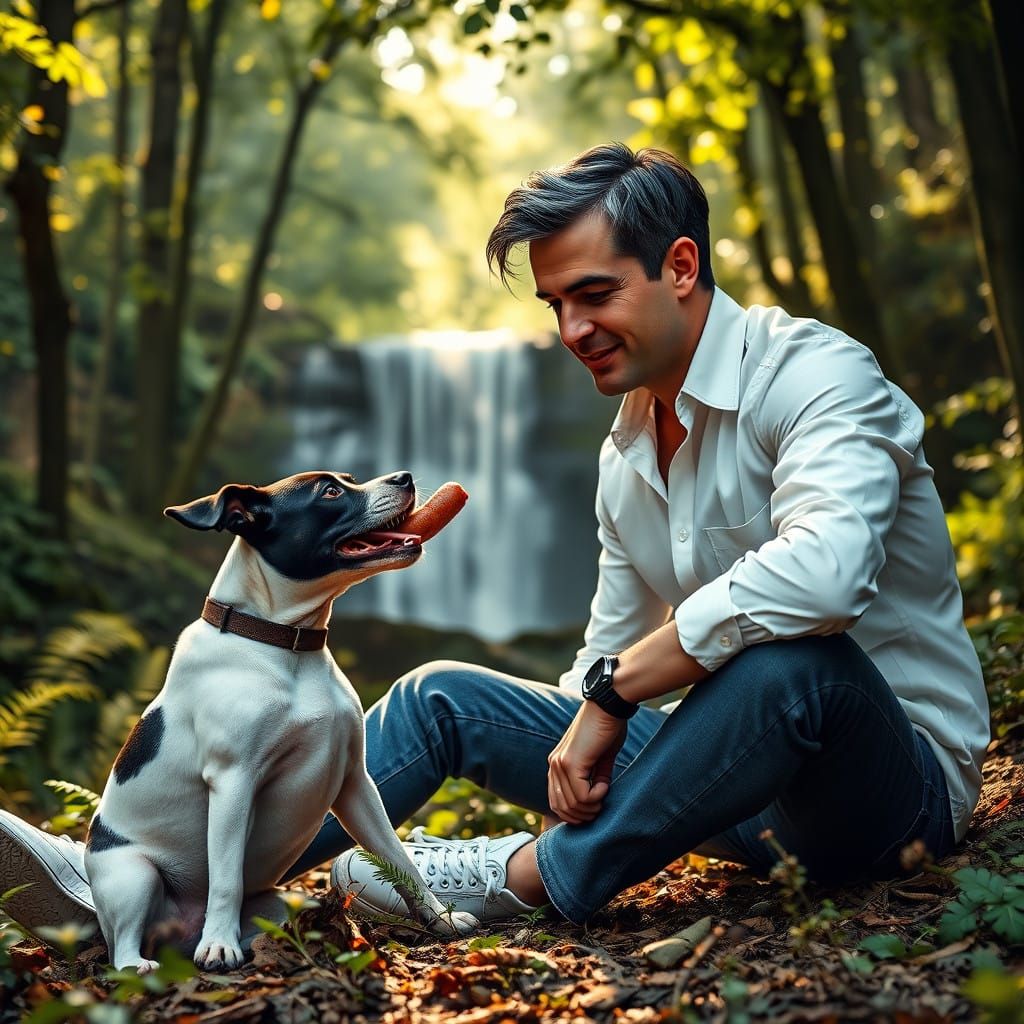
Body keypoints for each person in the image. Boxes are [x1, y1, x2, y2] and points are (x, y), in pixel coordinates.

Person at [0, 144, 989, 937]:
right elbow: (598, 661)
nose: (570, 327)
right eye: (554, 303)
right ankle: (133, 878)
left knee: (792, 663)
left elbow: (824, 576)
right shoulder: (626, 454)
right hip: (726, 786)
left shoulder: (817, 378)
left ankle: (527, 878)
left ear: (680, 266)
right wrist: (587, 711)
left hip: (886, 791)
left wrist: (615, 690)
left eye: (593, 293)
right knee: (439, 695)